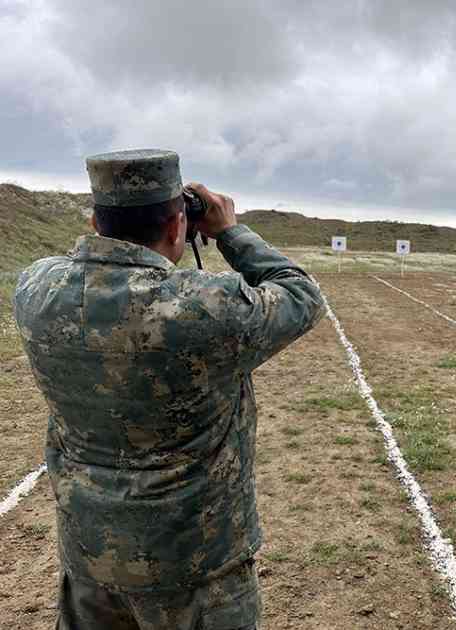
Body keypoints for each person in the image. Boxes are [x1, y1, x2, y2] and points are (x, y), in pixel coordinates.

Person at [13, 149, 325, 629]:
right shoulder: (205, 307)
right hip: (195, 567)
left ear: (96, 221)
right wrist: (230, 232)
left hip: (89, 557)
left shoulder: (36, 289)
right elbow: (301, 294)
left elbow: (82, 267)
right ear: (179, 225)